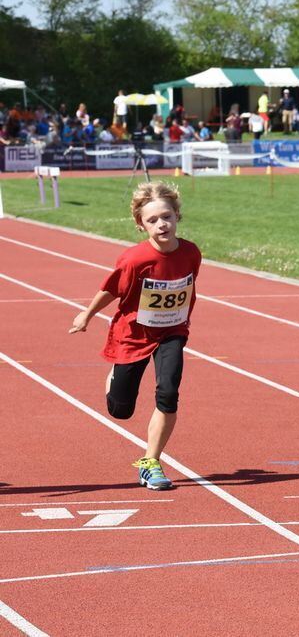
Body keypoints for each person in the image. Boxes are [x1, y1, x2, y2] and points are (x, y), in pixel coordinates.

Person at [69, 181, 202, 490]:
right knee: (121, 409)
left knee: (168, 394)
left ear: (177, 216)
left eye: (166, 216)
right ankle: (116, 374)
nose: (162, 224)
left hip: (172, 332)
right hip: (134, 335)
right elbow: (112, 289)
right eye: (152, 220)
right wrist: (86, 314)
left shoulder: (192, 253)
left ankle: (150, 462)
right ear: (140, 225)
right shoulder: (134, 259)